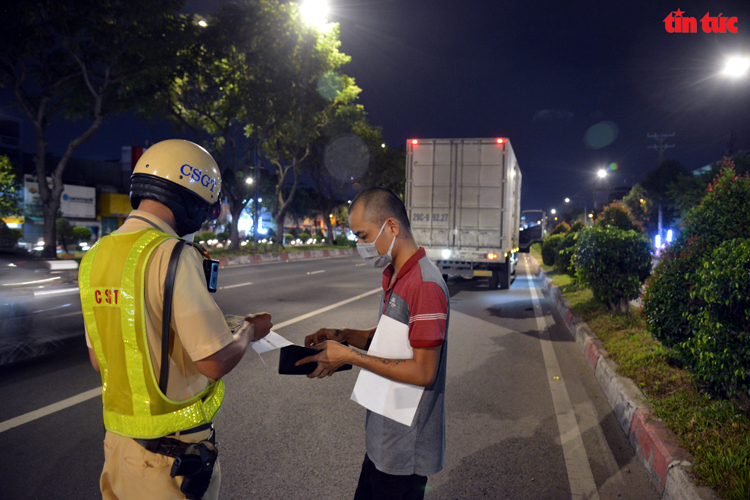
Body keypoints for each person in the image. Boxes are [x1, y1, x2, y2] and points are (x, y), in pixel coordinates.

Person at [80, 139, 272, 500]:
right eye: (205, 209)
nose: (202, 219)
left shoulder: (94, 257)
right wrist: (248, 331)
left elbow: (99, 359)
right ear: (189, 199)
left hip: (117, 451)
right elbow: (214, 361)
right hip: (168, 464)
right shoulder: (173, 254)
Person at [299, 187, 449, 500]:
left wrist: (350, 357)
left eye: (364, 236)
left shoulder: (424, 284)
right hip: (385, 439)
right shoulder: (397, 275)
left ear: (392, 227)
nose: (360, 246)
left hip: (404, 450)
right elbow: (390, 337)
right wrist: (342, 335)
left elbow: (424, 372)